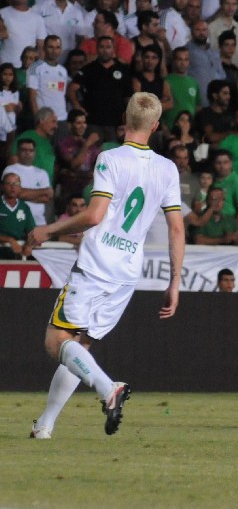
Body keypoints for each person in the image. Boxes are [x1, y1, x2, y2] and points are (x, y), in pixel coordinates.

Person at [27, 92, 185, 439]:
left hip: (97, 265)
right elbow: (176, 227)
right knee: (79, 347)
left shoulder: (110, 158)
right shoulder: (167, 168)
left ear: (125, 120)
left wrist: (48, 229)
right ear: (156, 126)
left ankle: (107, 388)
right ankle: (44, 426)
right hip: (127, 273)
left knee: (56, 342)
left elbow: (95, 215)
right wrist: (174, 282)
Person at [0, 171, 34, 259]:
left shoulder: (25, 207)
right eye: (8, 183)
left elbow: (31, 231)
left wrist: (29, 244)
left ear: (20, 188)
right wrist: (10, 240)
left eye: (16, 184)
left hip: (18, 255)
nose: (12, 187)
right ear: (2, 186)